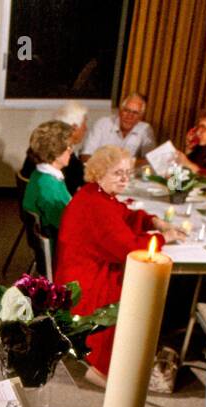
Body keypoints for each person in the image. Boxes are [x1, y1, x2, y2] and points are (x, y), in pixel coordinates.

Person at [55, 145, 185, 385]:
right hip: (87, 282)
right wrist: (164, 237)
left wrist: (154, 221)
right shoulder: (96, 205)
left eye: (128, 173)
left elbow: (124, 216)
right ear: (100, 172)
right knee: (137, 291)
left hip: (86, 270)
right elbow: (129, 249)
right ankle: (101, 371)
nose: (125, 178)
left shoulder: (97, 194)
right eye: (118, 173)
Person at [23, 121, 74, 250]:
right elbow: (67, 228)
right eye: (68, 146)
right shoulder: (50, 188)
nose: (71, 150)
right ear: (55, 151)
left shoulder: (39, 174)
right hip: (59, 251)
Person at [83, 93, 156, 165]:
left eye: (135, 113)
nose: (129, 116)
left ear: (141, 117)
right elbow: (85, 156)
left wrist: (121, 165)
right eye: (126, 110)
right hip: (100, 173)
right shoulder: (103, 124)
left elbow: (150, 160)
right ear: (120, 111)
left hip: (128, 175)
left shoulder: (145, 129)